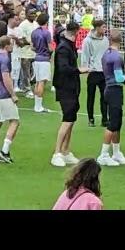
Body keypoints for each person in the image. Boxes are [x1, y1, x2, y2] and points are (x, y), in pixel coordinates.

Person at [51, 22, 90, 167]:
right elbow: (64, 68)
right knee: (67, 119)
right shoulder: (63, 48)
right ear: (76, 32)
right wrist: (79, 70)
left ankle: (65, 151)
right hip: (65, 87)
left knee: (71, 119)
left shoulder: (68, 45)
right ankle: (57, 153)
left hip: (72, 86)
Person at [96, 29, 125, 166]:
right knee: (113, 123)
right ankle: (104, 154)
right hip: (114, 89)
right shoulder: (116, 57)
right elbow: (119, 77)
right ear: (121, 41)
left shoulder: (106, 54)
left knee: (117, 122)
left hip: (109, 88)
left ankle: (116, 153)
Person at [0, 35, 20, 164]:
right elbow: (6, 78)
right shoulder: (5, 59)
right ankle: (5, 150)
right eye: (11, 44)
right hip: (3, 95)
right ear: (7, 46)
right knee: (15, 121)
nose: (12, 46)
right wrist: (13, 94)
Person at [81, 19, 109, 127]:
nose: (105, 29)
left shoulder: (105, 40)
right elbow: (85, 55)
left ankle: (104, 119)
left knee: (104, 97)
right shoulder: (87, 41)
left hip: (103, 72)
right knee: (91, 96)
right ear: (97, 28)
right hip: (93, 72)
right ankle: (90, 118)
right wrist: (85, 69)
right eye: (103, 27)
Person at [30, 13, 52, 113]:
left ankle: (36, 105)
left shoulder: (34, 32)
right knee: (42, 82)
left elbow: (32, 47)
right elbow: (50, 48)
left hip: (36, 58)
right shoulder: (46, 33)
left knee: (38, 81)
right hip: (44, 59)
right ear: (46, 21)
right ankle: (38, 107)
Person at [18, 7, 38, 98]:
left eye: (34, 14)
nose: (33, 15)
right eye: (31, 13)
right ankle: (27, 89)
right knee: (26, 72)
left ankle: (26, 86)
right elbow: (21, 39)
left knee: (33, 72)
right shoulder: (23, 25)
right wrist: (30, 42)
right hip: (24, 52)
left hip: (34, 52)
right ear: (26, 14)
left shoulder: (36, 24)